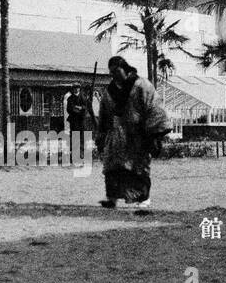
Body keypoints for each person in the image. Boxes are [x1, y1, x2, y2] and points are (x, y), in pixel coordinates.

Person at [95, 56, 169, 210]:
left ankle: (143, 198)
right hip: (116, 135)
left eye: (117, 71)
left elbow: (154, 108)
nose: (114, 75)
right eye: (111, 72)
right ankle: (112, 198)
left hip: (137, 134)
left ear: (125, 68)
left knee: (138, 167)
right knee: (112, 167)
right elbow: (104, 114)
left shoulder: (142, 85)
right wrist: (101, 135)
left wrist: (154, 133)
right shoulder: (110, 91)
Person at [66, 86, 89, 164]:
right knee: (74, 138)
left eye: (77, 88)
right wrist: (79, 109)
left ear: (79, 89)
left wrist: (79, 108)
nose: (76, 89)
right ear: (72, 89)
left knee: (82, 139)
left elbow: (86, 108)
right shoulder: (70, 98)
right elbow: (69, 109)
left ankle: (81, 156)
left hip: (82, 121)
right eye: (74, 88)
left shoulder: (83, 97)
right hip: (74, 121)